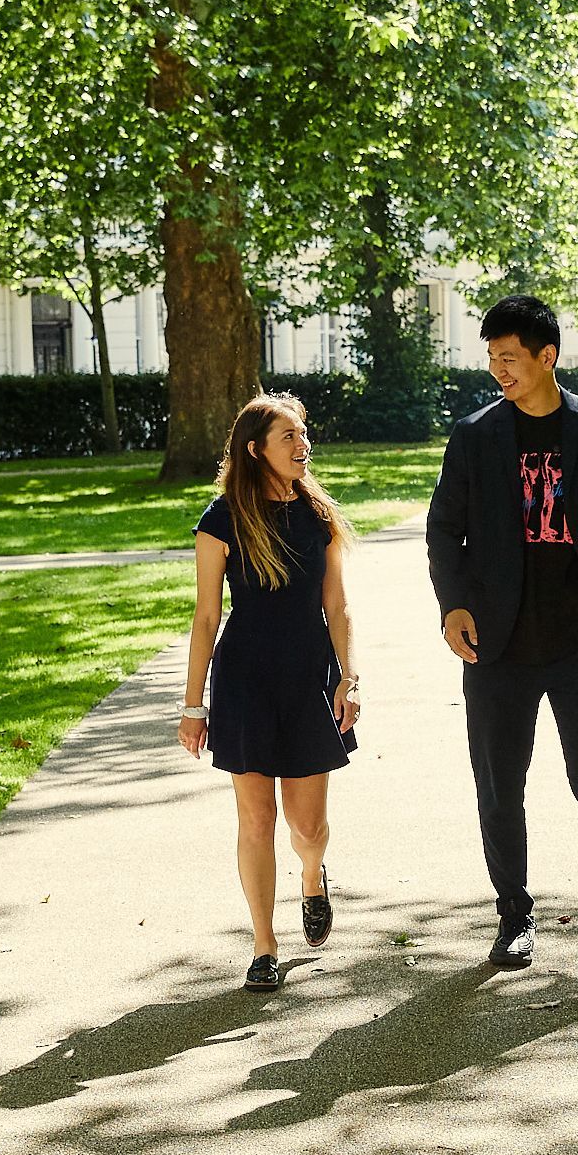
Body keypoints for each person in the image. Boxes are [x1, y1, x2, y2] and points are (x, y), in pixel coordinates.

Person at [427, 295, 578, 985]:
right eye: (492, 359)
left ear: (546, 357)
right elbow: (445, 528)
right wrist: (454, 607)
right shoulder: (475, 435)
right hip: (497, 646)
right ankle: (514, 916)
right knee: (501, 788)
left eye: (510, 358)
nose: (499, 371)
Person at [179, 393, 359, 992]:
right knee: (255, 817)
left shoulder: (319, 516)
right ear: (256, 450)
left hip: (310, 679)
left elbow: (337, 605)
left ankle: (312, 878)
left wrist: (350, 678)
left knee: (308, 828)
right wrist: (192, 704)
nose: (303, 445)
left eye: (303, 435)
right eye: (289, 437)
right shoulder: (220, 520)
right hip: (245, 681)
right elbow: (206, 618)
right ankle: (263, 944)